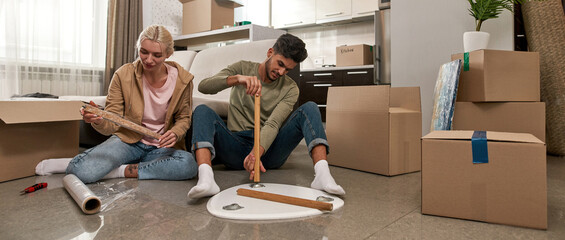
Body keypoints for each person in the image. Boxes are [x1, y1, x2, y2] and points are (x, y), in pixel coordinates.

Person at [187, 33, 345, 199]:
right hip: (236, 146)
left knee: (310, 107)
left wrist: (257, 153)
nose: (282, 72)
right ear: (270, 53)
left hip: (269, 151)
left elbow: (274, 123)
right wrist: (238, 79)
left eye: (288, 69)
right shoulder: (242, 68)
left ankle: (322, 175)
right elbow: (204, 87)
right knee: (202, 110)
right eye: (280, 64)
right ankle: (206, 178)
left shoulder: (290, 89)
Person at [37, 25, 197, 183]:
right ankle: (130, 167)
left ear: (168, 54)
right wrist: (99, 120)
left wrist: (175, 133)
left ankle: (120, 170)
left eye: (157, 55)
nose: (148, 60)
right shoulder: (123, 74)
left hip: (161, 147)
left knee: (188, 164)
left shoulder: (182, 80)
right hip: (129, 141)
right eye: (144, 52)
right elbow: (112, 119)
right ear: (138, 48)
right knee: (81, 172)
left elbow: (184, 118)